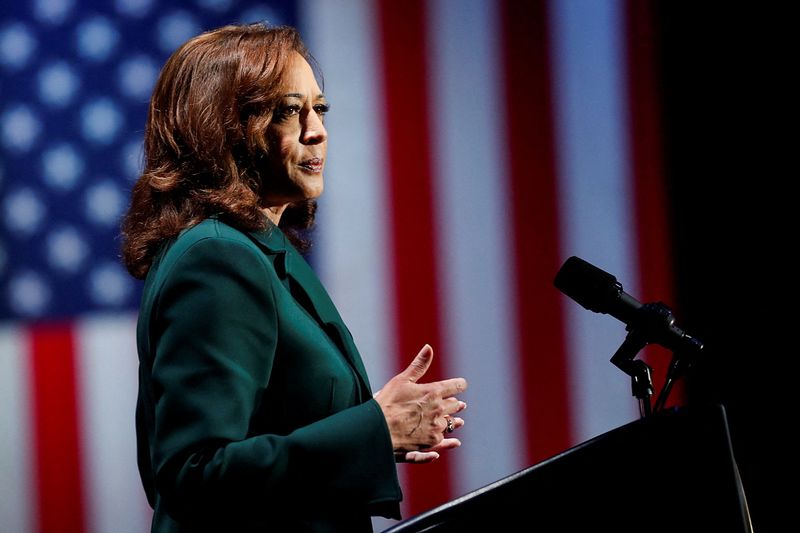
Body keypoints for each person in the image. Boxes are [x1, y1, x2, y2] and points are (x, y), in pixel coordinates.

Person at [120, 22, 468, 532]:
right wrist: (375, 430)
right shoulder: (218, 259)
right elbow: (192, 474)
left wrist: (368, 429)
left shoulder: (254, 252)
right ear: (221, 129)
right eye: (288, 111)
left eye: (319, 108)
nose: (316, 129)